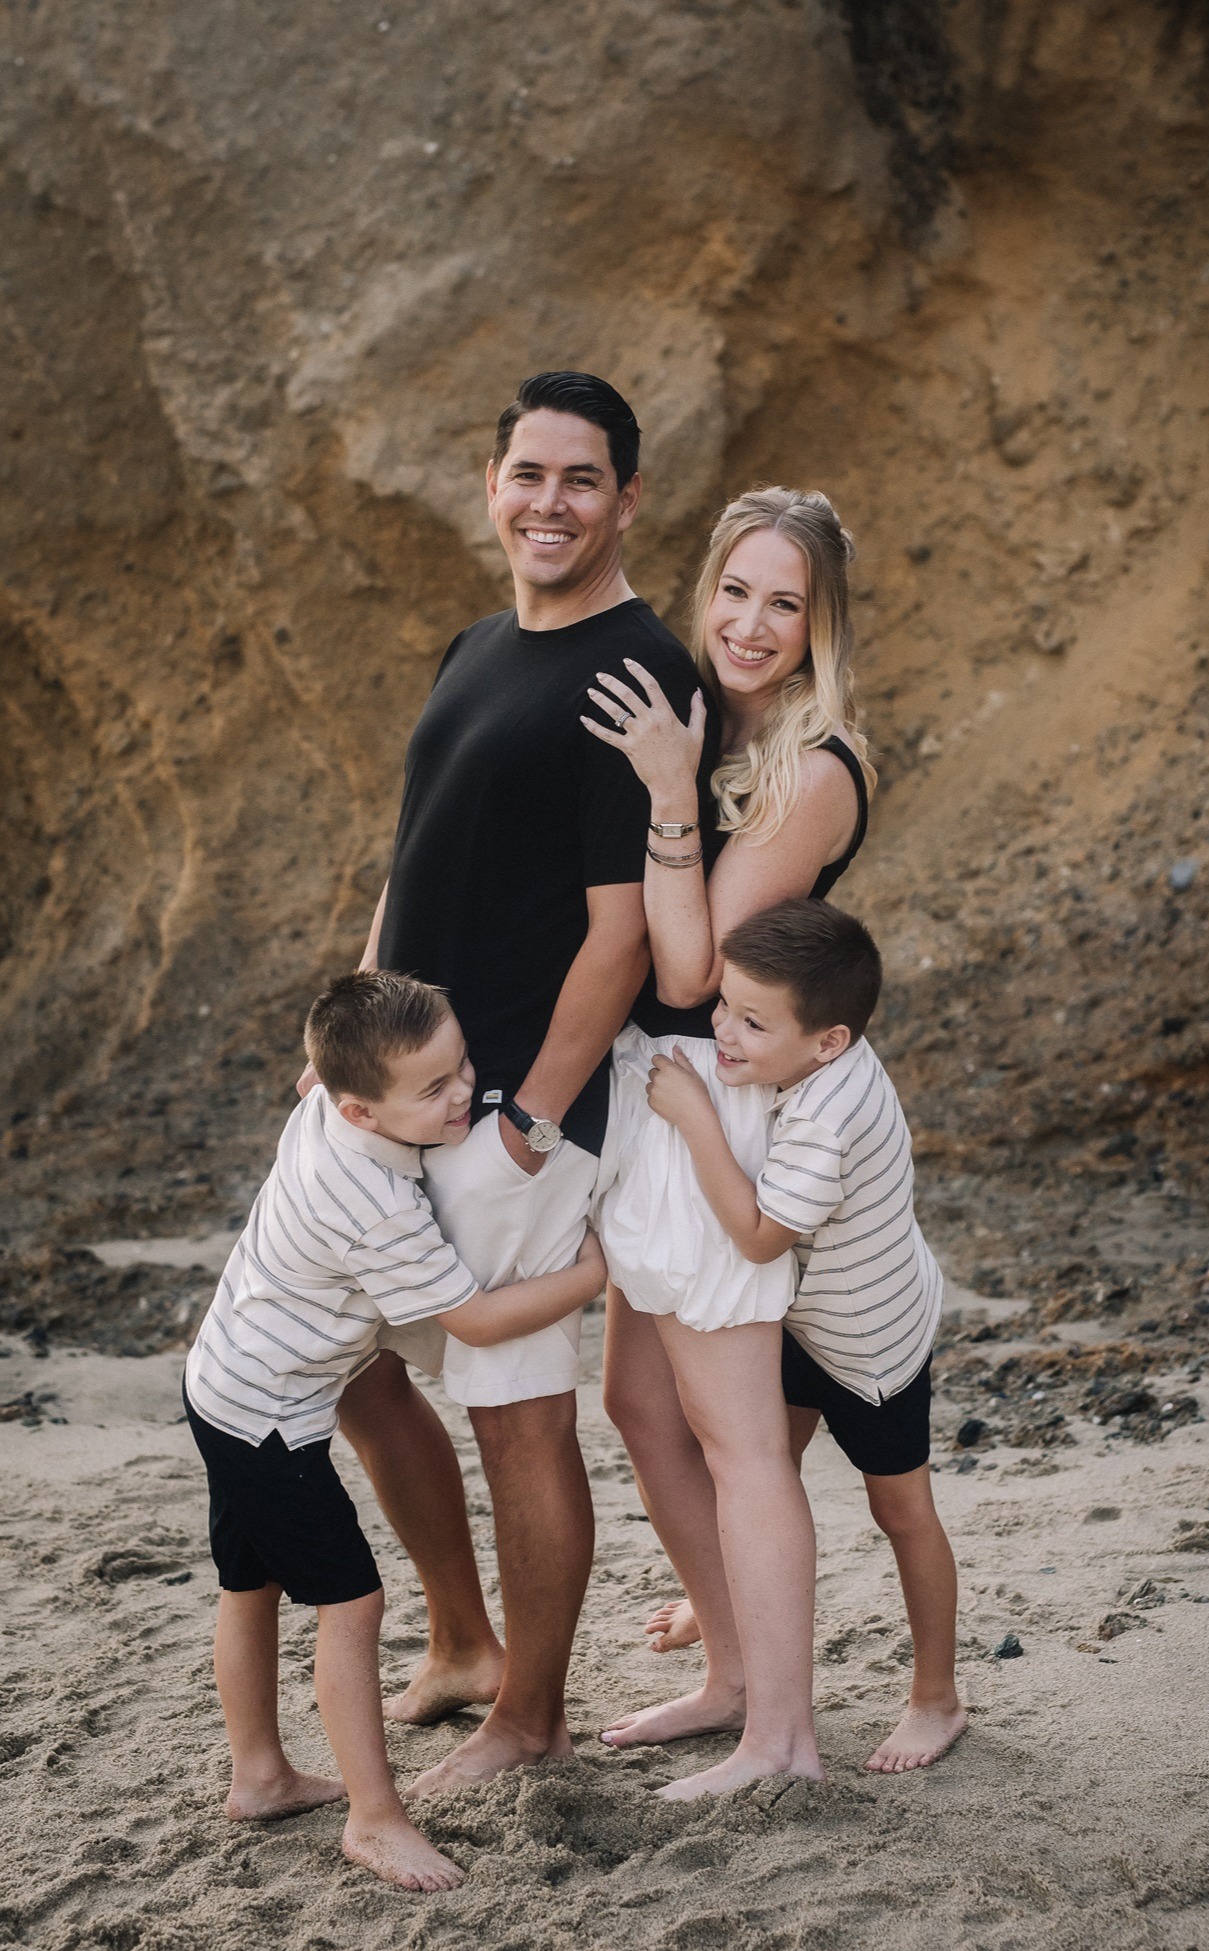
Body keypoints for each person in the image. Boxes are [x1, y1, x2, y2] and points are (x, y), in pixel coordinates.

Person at [305, 372, 717, 1794]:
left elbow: (621, 937)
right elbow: (412, 853)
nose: (550, 502)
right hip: (391, 1094)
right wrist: (343, 1044)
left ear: (627, 499)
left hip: (514, 1114)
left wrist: (532, 1118)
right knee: (353, 1369)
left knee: (517, 1413)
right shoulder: (476, 645)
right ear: (491, 486)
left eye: (580, 478)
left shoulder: (638, 675)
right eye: (527, 474)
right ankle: (464, 1642)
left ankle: (530, 1717)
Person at [184, 972, 608, 1890]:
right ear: (359, 1110)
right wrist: (589, 1276)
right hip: (271, 1418)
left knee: (249, 1582)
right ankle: (375, 1821)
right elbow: (475, 1321)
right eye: (432, 1089)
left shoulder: (322, 1113)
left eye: (462, 1068)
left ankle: (260, 1776)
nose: (462, 1096)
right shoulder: (369, 1201)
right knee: (352, 1606)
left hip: (221, 1382)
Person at [581, 486, 876, 1798]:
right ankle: (733, 1676)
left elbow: (694, 969)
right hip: (649, 1089)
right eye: (735, 592)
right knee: (640, 1404)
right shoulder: (703, 722)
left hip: (719, 1089)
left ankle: (783, 1739)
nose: (751, 624)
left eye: (784, 603)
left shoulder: (813, 770)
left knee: (741, 1440)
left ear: (821, 626)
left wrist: (662, 794)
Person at [641, 900, 965, 1774]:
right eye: (724, 1005)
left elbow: (758, 1235)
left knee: (901, 1512)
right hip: (805, 1317)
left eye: (752, 1023)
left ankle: (936, 1698)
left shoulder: (827, 1115)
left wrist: (695, 1117)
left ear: (828, 1042)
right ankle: (726, 1618)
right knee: (755, 1475)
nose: (723, 1031)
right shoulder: (822, 1056)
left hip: (869, 1345)